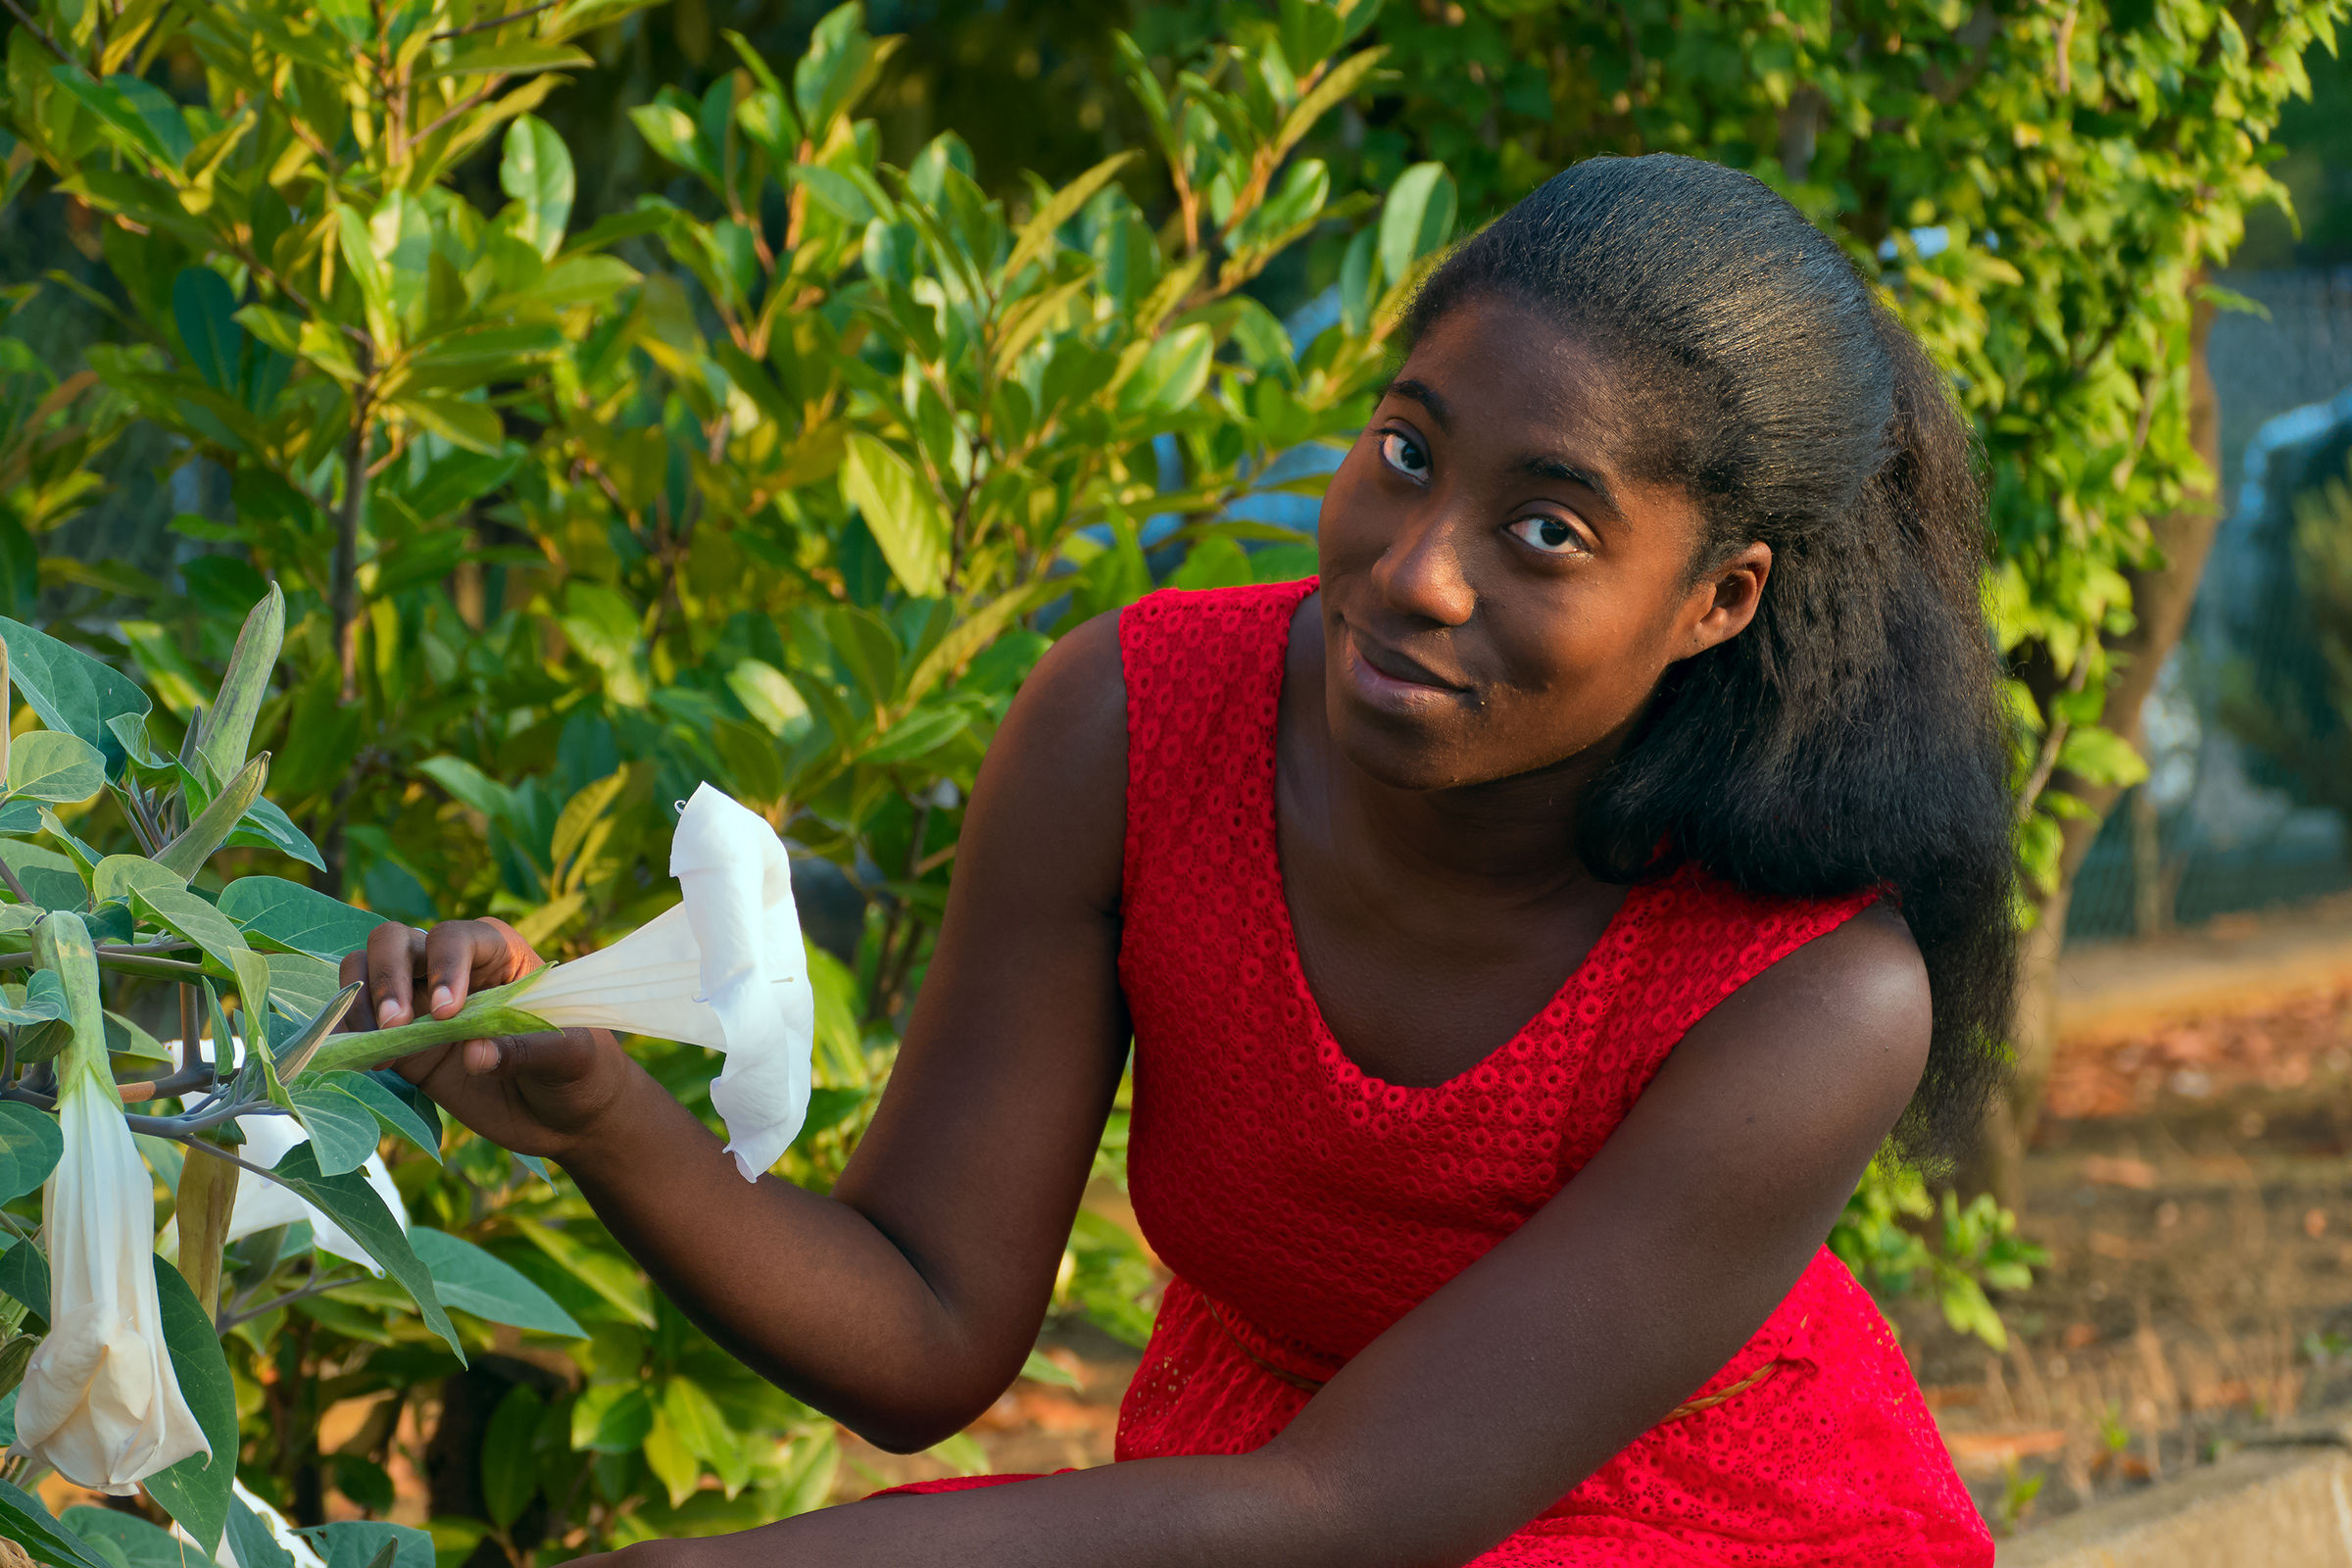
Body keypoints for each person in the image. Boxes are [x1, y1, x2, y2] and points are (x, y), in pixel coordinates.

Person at [344, 153, 2018, 1566]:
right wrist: (604, 1117)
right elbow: (925, 1331)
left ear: (1720, 597)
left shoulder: (1814, 989)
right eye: (1409, 453)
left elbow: (1351, 1508)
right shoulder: (1139, 726)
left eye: (1546, 530)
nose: (1417, 571)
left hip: (1675, 1526)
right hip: (1241, 1502)